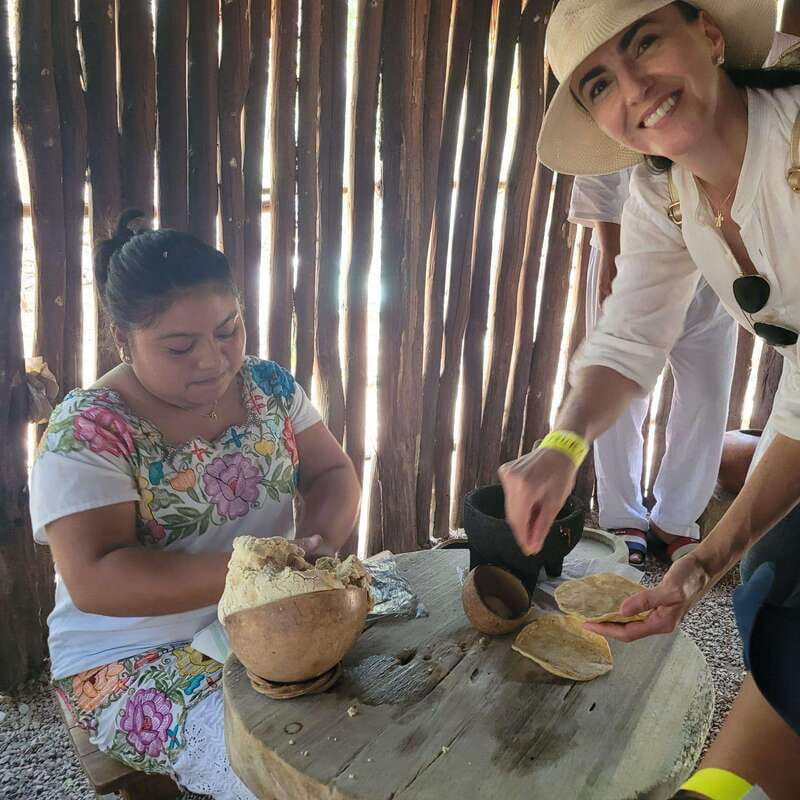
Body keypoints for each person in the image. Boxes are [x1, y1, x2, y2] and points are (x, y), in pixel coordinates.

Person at [497, 1, 800, 795]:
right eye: (600, 82)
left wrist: (711, 550)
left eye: (644, 43)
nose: (635, 86)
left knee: (780, 603)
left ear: (705, 35)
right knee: (770, 596)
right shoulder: (667, 193)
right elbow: (629, 339)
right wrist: (561, 448)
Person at [29, 212, 361, 800]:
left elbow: (332, 472)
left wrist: (318, 548)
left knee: (376, 719)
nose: (212, 360)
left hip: (265, 614)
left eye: (228, 330)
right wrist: (266, 574)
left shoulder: (268, 387)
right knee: (282, 768)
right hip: (134, 653)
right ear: (121, 339)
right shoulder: (91, 429)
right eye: (179, 346)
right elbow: (97, 577)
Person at [570, 169, 736, 565]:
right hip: (633, 251)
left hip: (712, 258)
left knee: (708, 396)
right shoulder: (616, 117)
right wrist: (611, 252)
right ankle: (623, 517)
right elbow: (597, 176)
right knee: (623, 390)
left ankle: (676, 520)